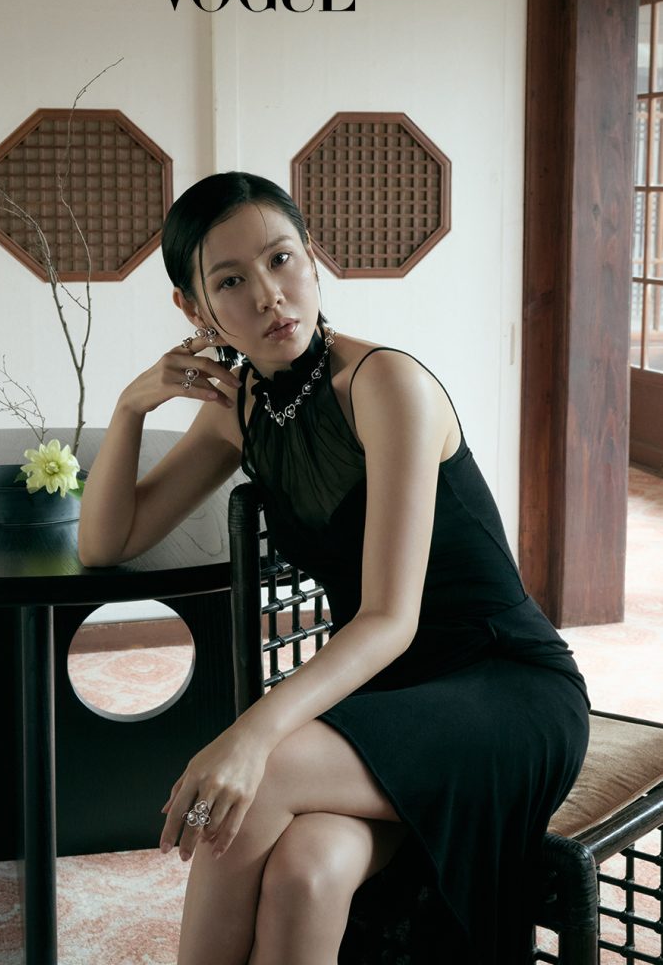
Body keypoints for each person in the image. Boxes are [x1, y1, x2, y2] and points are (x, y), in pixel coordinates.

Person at [77, 171, 590, 965]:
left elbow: (389, 618)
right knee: (306, 873)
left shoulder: (384, 383)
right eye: (230, 281)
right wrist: (129, 407)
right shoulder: (242, 408)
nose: (268, 295)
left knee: (252, 783)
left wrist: (250, 734)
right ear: (192, 308)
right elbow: (107, 542)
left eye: (281, 259)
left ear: (313, 259)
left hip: (503, 690)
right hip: (386, 698)